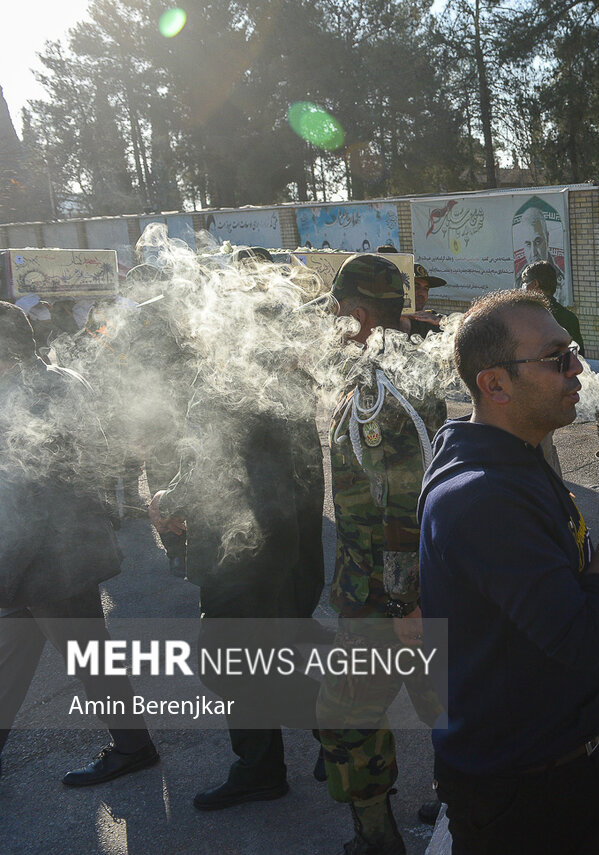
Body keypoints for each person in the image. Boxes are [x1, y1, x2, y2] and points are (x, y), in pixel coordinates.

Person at [419, 289, 599, 853]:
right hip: (527, 790)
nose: (578, 369)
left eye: (573, 352)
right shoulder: (485, 498)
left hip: (576, 752)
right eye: (557, 359)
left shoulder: (509, 451)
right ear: (495, 384)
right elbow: (580, 637)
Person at [149, 276, 322, 812]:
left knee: (229, 659)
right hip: (288, 543)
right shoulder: (288, 375)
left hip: (240, 549)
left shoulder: (229, 376)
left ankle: (269, 764)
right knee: (281, 646)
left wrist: (168, 497)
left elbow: (210, 463)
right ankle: (337, 738)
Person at [318, 253, 447, 853]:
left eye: (338, 311)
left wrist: (403, 603)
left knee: (347, 719)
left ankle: (377, 839)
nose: (332, 322)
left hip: (384, 594)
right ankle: (461, 801)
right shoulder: (402, 366)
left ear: (361, 313)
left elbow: (400, 505)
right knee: (443, 700)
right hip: (412, 588)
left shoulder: (379, 389)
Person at [0, 301, 159, 786]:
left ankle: (134, 747)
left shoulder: (19, 396)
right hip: (56, 551)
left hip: (48, 558)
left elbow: (25, 496)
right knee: (13, 657)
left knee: (89, 658)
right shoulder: (61, 378)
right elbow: (102, 452)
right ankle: (134, 746)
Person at [520, 259, 582, 478]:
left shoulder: (527, 318)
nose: (522, 288)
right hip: (560, 392)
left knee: (537, 447)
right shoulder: (568, 317)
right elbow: (580, 357)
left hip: (535, 394)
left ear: (534, 285)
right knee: (545, 441)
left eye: (524, 282)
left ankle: (549, 494)